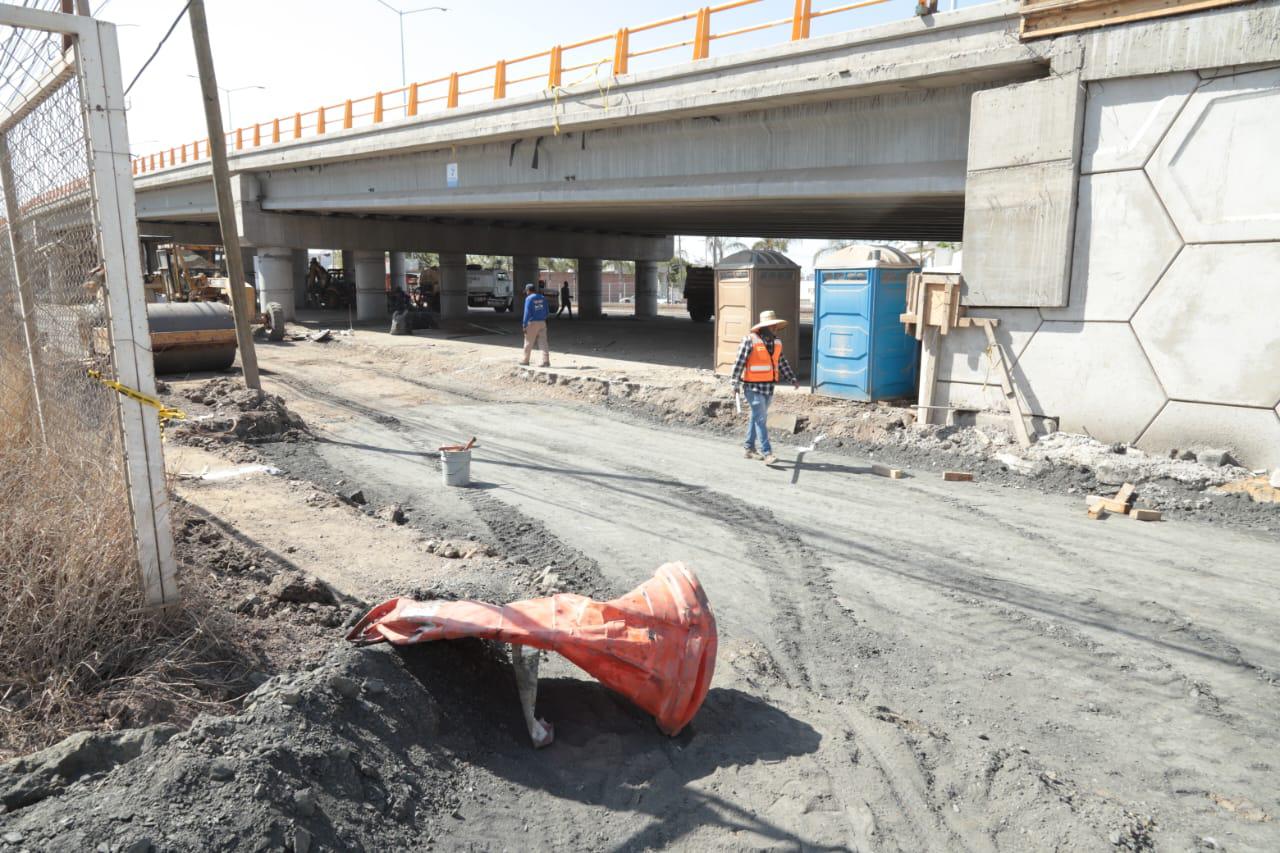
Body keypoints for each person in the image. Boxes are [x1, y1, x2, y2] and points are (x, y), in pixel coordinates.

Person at [730, 310, 798, 465]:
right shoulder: (749, 340)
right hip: (752, 388)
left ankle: (749, 448)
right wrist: (734, 382)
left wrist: (792, 378)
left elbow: (781, 362)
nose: (775, 328)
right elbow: (739, 362)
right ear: (763, 327)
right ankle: (767, 453)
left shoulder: (777, 343)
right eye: (772, 326)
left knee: (756, 417)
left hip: (768, 387)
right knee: (761, 419)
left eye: (776, 326)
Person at [519, 282, 551, 367]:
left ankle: (525, 360)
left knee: (528, 342)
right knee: (543, 342)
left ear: (528, 290)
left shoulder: (529, 298)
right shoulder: (542, 297)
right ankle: (546, 361)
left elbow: (527, 313)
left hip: (532, 323)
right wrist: (544, 318)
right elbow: (547, 311)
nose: (526, 293)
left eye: (526, 291)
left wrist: (524, 324)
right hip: (542, 322)